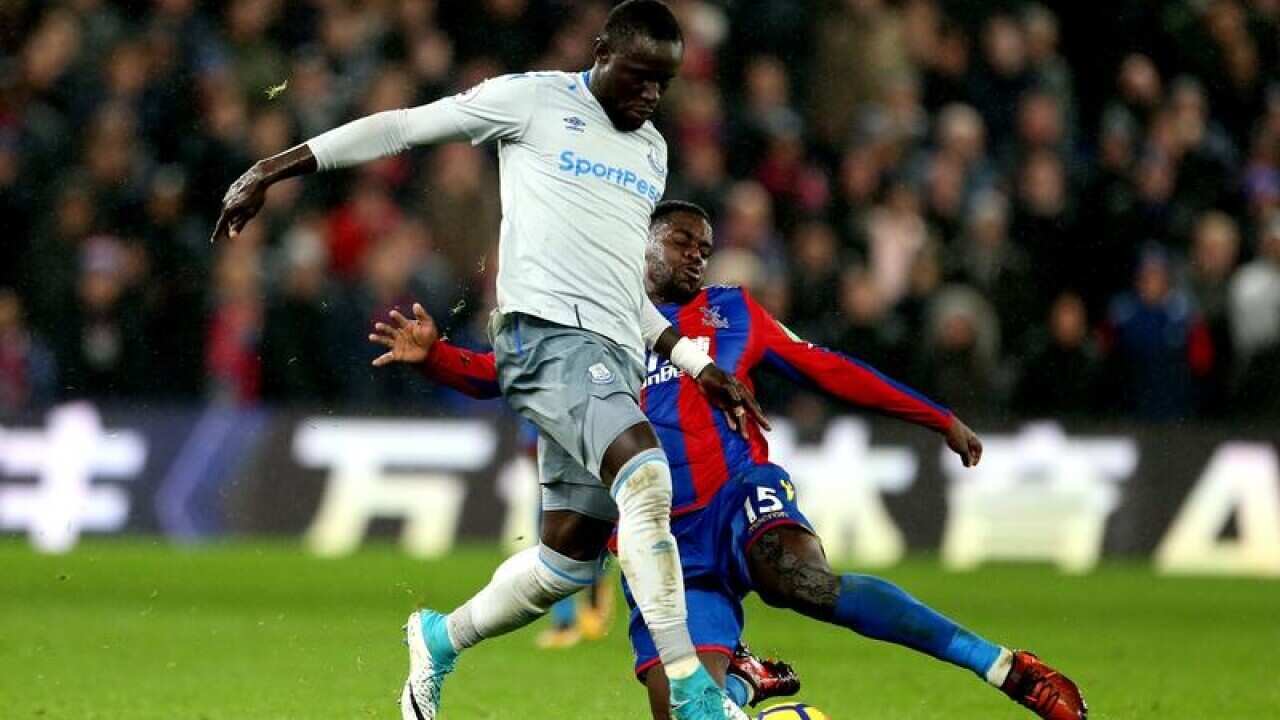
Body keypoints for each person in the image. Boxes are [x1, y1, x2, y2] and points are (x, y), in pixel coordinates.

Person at [214, 3, 766, 719]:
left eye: (663, 82)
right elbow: (403, 126)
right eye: (639, 76)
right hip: (546, 340)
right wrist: (273, 167)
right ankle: (692, 690)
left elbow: (621, 291)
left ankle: (438, 639)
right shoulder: (532, 99)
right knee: (647, 475)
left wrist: (695, 362)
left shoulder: (651, 151)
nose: (650, 95)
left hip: (611, 361)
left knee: (567, 562)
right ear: (601, 51)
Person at [373, 200, 1089, 720]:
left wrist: (938, 418)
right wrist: (435, 357)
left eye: (705, 247)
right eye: (683, 241)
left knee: (801, 581)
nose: (697, 255)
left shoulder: (734, 312)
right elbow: (502, 374)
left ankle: (1005, 669)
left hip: (737, 495)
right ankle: (743, 682)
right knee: (688, 711)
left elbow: (830, 368)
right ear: (640, 245)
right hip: (656, 541)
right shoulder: (589, 320)